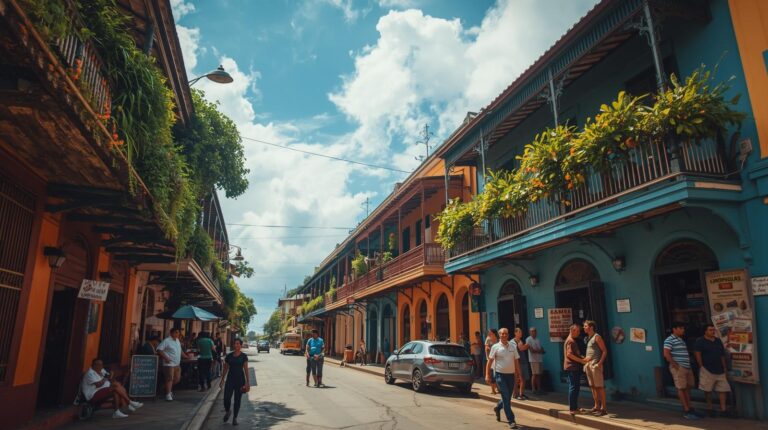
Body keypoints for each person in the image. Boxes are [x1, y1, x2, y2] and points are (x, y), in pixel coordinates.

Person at [664, 322, 701, 420]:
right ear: (674, 329)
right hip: (679, 368)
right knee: (681, 388)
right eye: (680, 328)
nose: (683, 330)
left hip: (687, 367)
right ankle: (686, 410)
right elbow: (666, 354)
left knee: (688, 388)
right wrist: (676, 366)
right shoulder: (669, 340)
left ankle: (690, 407)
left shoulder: (681, 340)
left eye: (683, 328)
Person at [485, 328, 521, 429]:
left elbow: (516, 361)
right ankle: (511, 420)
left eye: (506, 333)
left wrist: (518, 374)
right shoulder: (495, 347)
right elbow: (490, 361)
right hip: (500, 375)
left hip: (511, 375)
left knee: (507, 397)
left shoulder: (513, 346)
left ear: (508, 335)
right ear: (499, 335)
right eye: (502, 334)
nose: (504, 335)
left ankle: (498, 407)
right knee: (505, 395)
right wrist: (487, 375)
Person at [694, 324, 731, 417]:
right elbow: (697, 354)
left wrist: (724, 367)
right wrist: (701, 366)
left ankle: (723, 409)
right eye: (710, 330)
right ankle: (709, 409)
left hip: (720, 369)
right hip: (707, 369)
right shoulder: (700, 341)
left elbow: (722, 355)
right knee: (707, 390)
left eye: (713, 330)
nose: (713, 331)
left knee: (723, 389)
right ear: (705, 331)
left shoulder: (718, 341)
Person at [220, 339, 250, 426]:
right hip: (230, 380)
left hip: (240, 381)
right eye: (235, 343)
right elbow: (225, 368)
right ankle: (228, 411)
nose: (236, 345)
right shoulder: (229, 356)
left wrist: (247, 382)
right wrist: (222, 379)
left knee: (237, 400)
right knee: (226, 398)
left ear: (240, 345)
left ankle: (235, 418)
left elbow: (246, 369)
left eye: (238, 344)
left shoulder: (244, 356)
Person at [157, 328, 190, 401]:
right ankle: (168, 394)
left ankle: (164, 388)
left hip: (177, 364)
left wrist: (186, 356)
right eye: (176, 332)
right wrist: (166, 358)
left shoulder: (177, 340)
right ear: (171, 333)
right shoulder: (166, 340)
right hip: (169, 364)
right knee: (169, 379)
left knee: (177, 379)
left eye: (178, 333)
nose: (178, 334)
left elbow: (180, 350)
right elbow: (159, 350)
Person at [583, 320, 608, 416]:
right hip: (588, 365)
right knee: (593, 386)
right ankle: (596, 406)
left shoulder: (597, 337)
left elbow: (604, 351)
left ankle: (603, 408)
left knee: (599, 386)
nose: (584, 328)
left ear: (591, 327)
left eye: (585, 326)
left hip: (595, 365)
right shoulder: (589, 338)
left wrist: (600, 363)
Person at [564, 324, 587, 415]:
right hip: (573, 367)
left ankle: (575, 406)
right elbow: (569, 354)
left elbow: (574, 354)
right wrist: (581, 360)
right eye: (577, 331)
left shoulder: (571, 340)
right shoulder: (571, 341)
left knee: (575, 387)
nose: (578, 333)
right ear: (572, 331)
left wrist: (582, 358)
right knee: (574, 387)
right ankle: (572, 408)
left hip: (573, 367)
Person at [512, 327, 530, 400]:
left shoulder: (520, 341)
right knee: (517, 379)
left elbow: (522, 348)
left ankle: (521, 393)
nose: (521, 334)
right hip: (517, 363)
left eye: (521, 332)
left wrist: (524, 346)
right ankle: (515, 394)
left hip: (523, 361)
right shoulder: (512, 342)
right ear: (515, 333)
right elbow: (521, 348)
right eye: (519, 332)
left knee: (524, 378)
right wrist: (527, 346)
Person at [525, 327, 545, 394]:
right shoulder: (528, 339)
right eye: (532, 331)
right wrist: (539, 351)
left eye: (535, 331)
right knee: (534, 374)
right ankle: (533, 389)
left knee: (539, 374)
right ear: (530, 332)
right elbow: (532, 350)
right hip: (533, 360)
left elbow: (542, 349)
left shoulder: (537, 339)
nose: (534, 332)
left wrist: (540, 351)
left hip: (539, 359)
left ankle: (539, 388)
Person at [485, 328, 500, 395]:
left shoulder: (497, 339)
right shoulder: (488, 339)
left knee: (496, 374)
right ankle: (493, 389)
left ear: (494, 333)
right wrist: (488, 357)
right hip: (490, 359)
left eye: (490, 332)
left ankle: (497, 388)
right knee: (491, 374)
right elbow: (486, 348)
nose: (489, 333)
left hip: (496, 359)